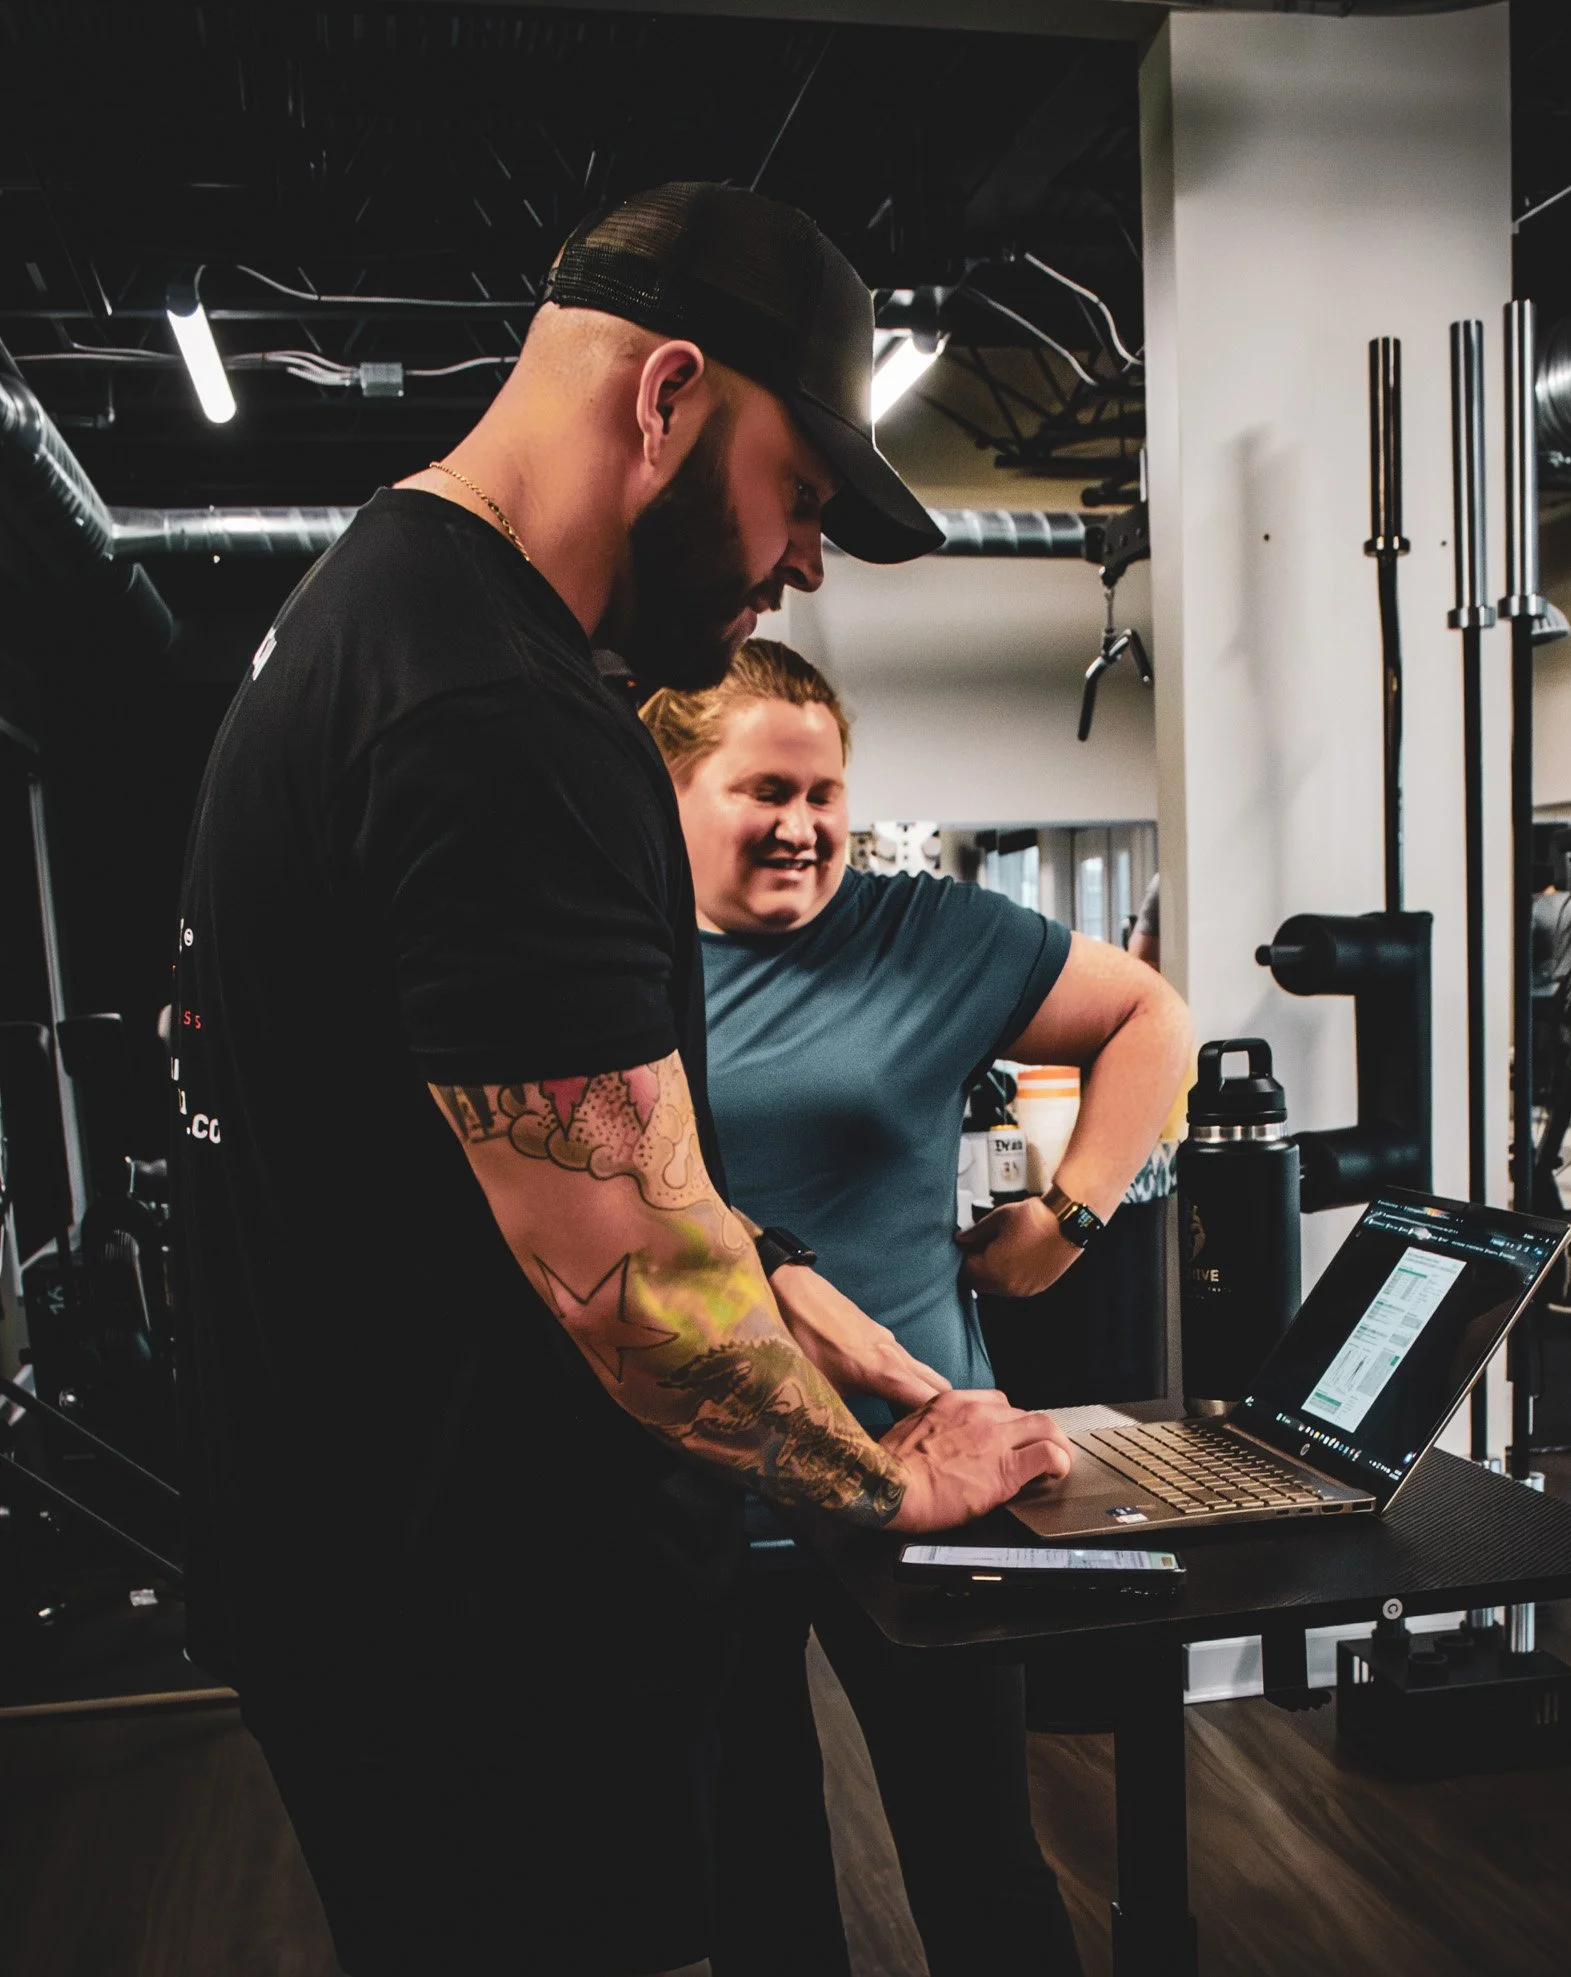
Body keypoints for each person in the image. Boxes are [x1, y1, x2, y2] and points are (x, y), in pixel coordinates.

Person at [171, 183, 1071, 1977]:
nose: (803, 563)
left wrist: (790, 1291)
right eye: (800, 495)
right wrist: (891, 1486)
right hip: (476, 1639)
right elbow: (639, 1292)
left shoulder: (369, 609)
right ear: (665, 397)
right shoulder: (503, 718)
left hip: (364, 1589)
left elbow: (514, 1157)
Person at [641, 641, 1193, 1977]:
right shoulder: (615, 963)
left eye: (825, 793)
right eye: (764, 788)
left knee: (980, 1860)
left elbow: (1149, 1018)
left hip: (926, 1464)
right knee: (757, 1881)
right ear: (670, 788)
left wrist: (1069, 1222)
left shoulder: (921, 934)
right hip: (701, 1478)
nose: (802, 824)